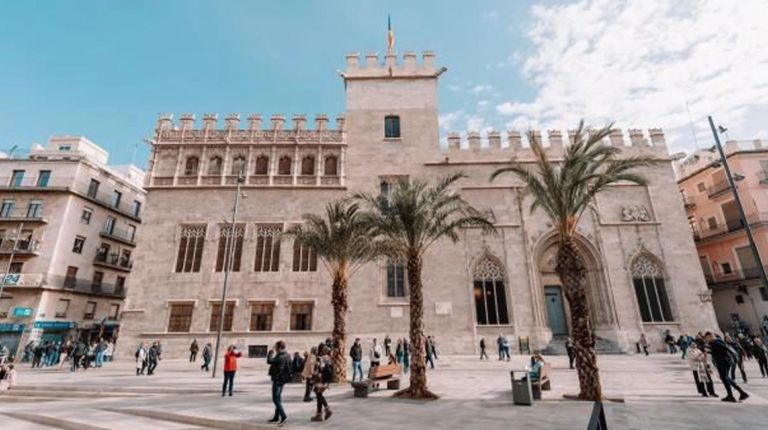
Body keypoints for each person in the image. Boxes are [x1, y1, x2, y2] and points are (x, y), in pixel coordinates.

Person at [706, 332, 748, 402]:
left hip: (722, 362)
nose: (706, 339)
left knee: (724, 378)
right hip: (725, 362)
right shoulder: (719, 341)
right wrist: (710, 351)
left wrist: (710, 350)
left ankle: (731, 395)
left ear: (710, 336)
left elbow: (721, 351)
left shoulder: (715, 342)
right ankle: (741, 392)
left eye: (707, 338)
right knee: (726, 378)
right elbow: (720, 350)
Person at [267, 340, 291, 425]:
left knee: (275, 399)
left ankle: (284, 416)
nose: (275, 348)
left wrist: (270, 352)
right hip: (283, 380)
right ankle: (276, 416)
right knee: (278, 398)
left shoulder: (280, 356)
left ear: (280, 347)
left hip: (278, 380)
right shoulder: (287, 355)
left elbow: (269, 361)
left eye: (276, 346)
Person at [311, 344, 333, 422]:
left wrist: (312, 377)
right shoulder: (328, 358)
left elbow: (316, 369)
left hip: (319, 379)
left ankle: (323, 411)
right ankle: (321, 412)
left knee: (319, 395)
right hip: (324, 379)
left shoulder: (319, 358)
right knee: (319, 395)